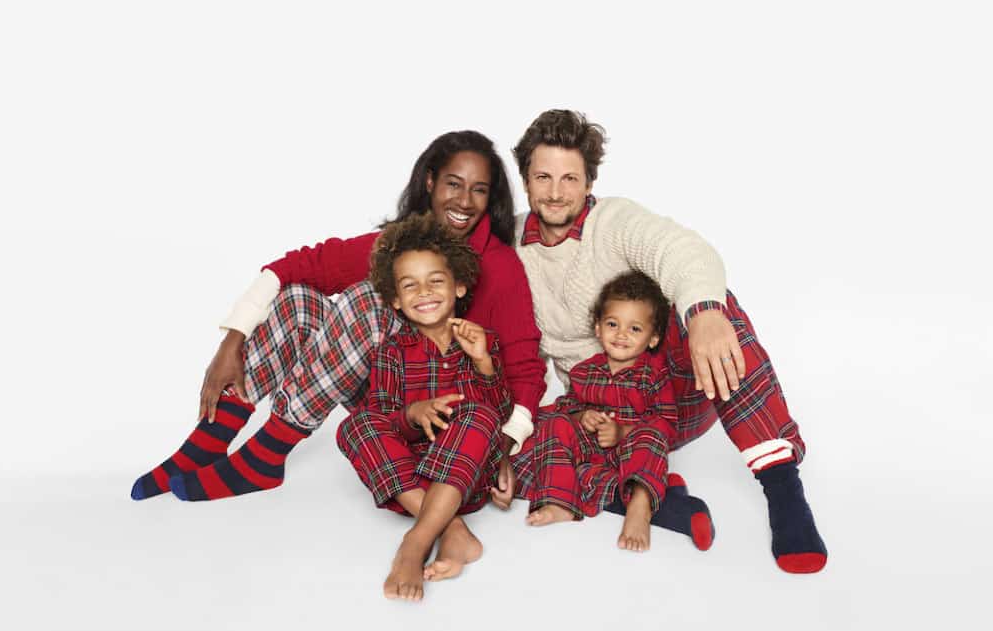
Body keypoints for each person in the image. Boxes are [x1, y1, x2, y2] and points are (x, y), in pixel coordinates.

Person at [129, 131, 543, 503]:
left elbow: (526, 367)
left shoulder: (500, 265)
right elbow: (295, 266)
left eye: (479, 190)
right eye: (454, 184)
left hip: (442, 416)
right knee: (298, 301)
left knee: (368, 300)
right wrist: (232, 340)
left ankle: (266, 453)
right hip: (388, 390)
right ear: (431, 182)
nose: (464, 201)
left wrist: (505, 444)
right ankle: (210, 440)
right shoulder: (398, 243)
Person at [497, 110, 828, 574]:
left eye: (569, 178)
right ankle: (660, 500)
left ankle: (782, 486)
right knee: (504, 458)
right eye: (543, 177)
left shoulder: (613, 220)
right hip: (595, 409)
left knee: (709, 305)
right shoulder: (508, 243)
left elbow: (681, 250)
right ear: (526, 182)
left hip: (669, 396)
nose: (555, 192)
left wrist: (706, 313)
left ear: (589, 182)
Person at [336, 214, 512, 601]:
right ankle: (452, 532)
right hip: (410, 481)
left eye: (436, 281)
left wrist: (483, 362)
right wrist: (412, 414)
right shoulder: (391, 352)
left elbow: (497, 413)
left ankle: (416, 541)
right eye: (410, 285)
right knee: (355, 423)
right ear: (396, 299)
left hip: (465, 480)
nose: (424, 292)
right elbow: (383, 420)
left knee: (478, 414)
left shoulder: (481, 341)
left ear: (459, 286)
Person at [525, 271, 713, 553]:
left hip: (631, 453)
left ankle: (639, 504)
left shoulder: (652, 376)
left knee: (651, 437)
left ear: (652, 338)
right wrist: (581, 417)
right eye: (613, 324)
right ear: (598, 328)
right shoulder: (584, 371)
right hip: (591, 457)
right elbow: (568, 406)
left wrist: (622, 432)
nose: (622, 334)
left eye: (635, 329)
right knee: (553, 424)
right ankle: (561, 501)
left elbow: (666, 425)